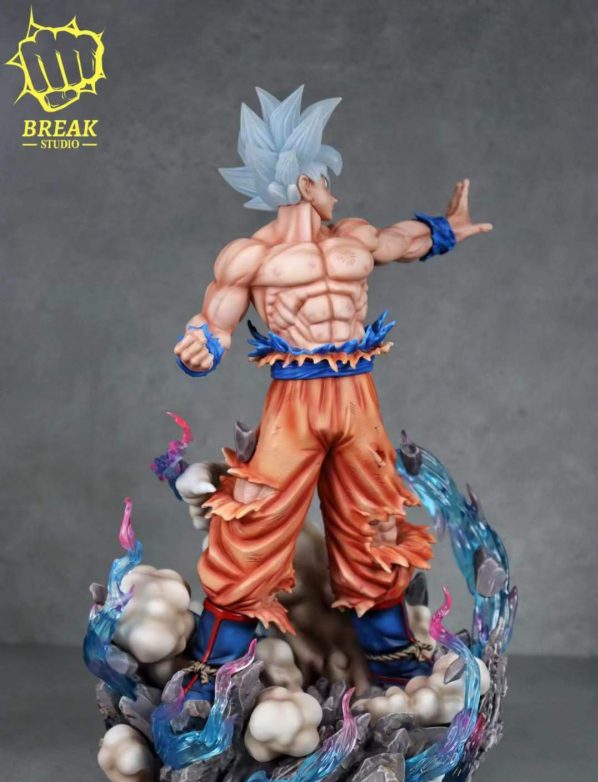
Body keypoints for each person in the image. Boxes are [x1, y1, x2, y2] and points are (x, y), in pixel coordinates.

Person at [174, 86, 492, 698]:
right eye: (324, 178)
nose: (333, 191)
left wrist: (445, 229)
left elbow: (403, 241)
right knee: (254, 522)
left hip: (356, 397)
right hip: (294, 402)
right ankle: (211, 676)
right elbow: (213, 321)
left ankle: (396, 672)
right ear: (302, 181)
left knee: (374, 523)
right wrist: (200, 349)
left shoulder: (353, 237)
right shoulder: (250, 256)